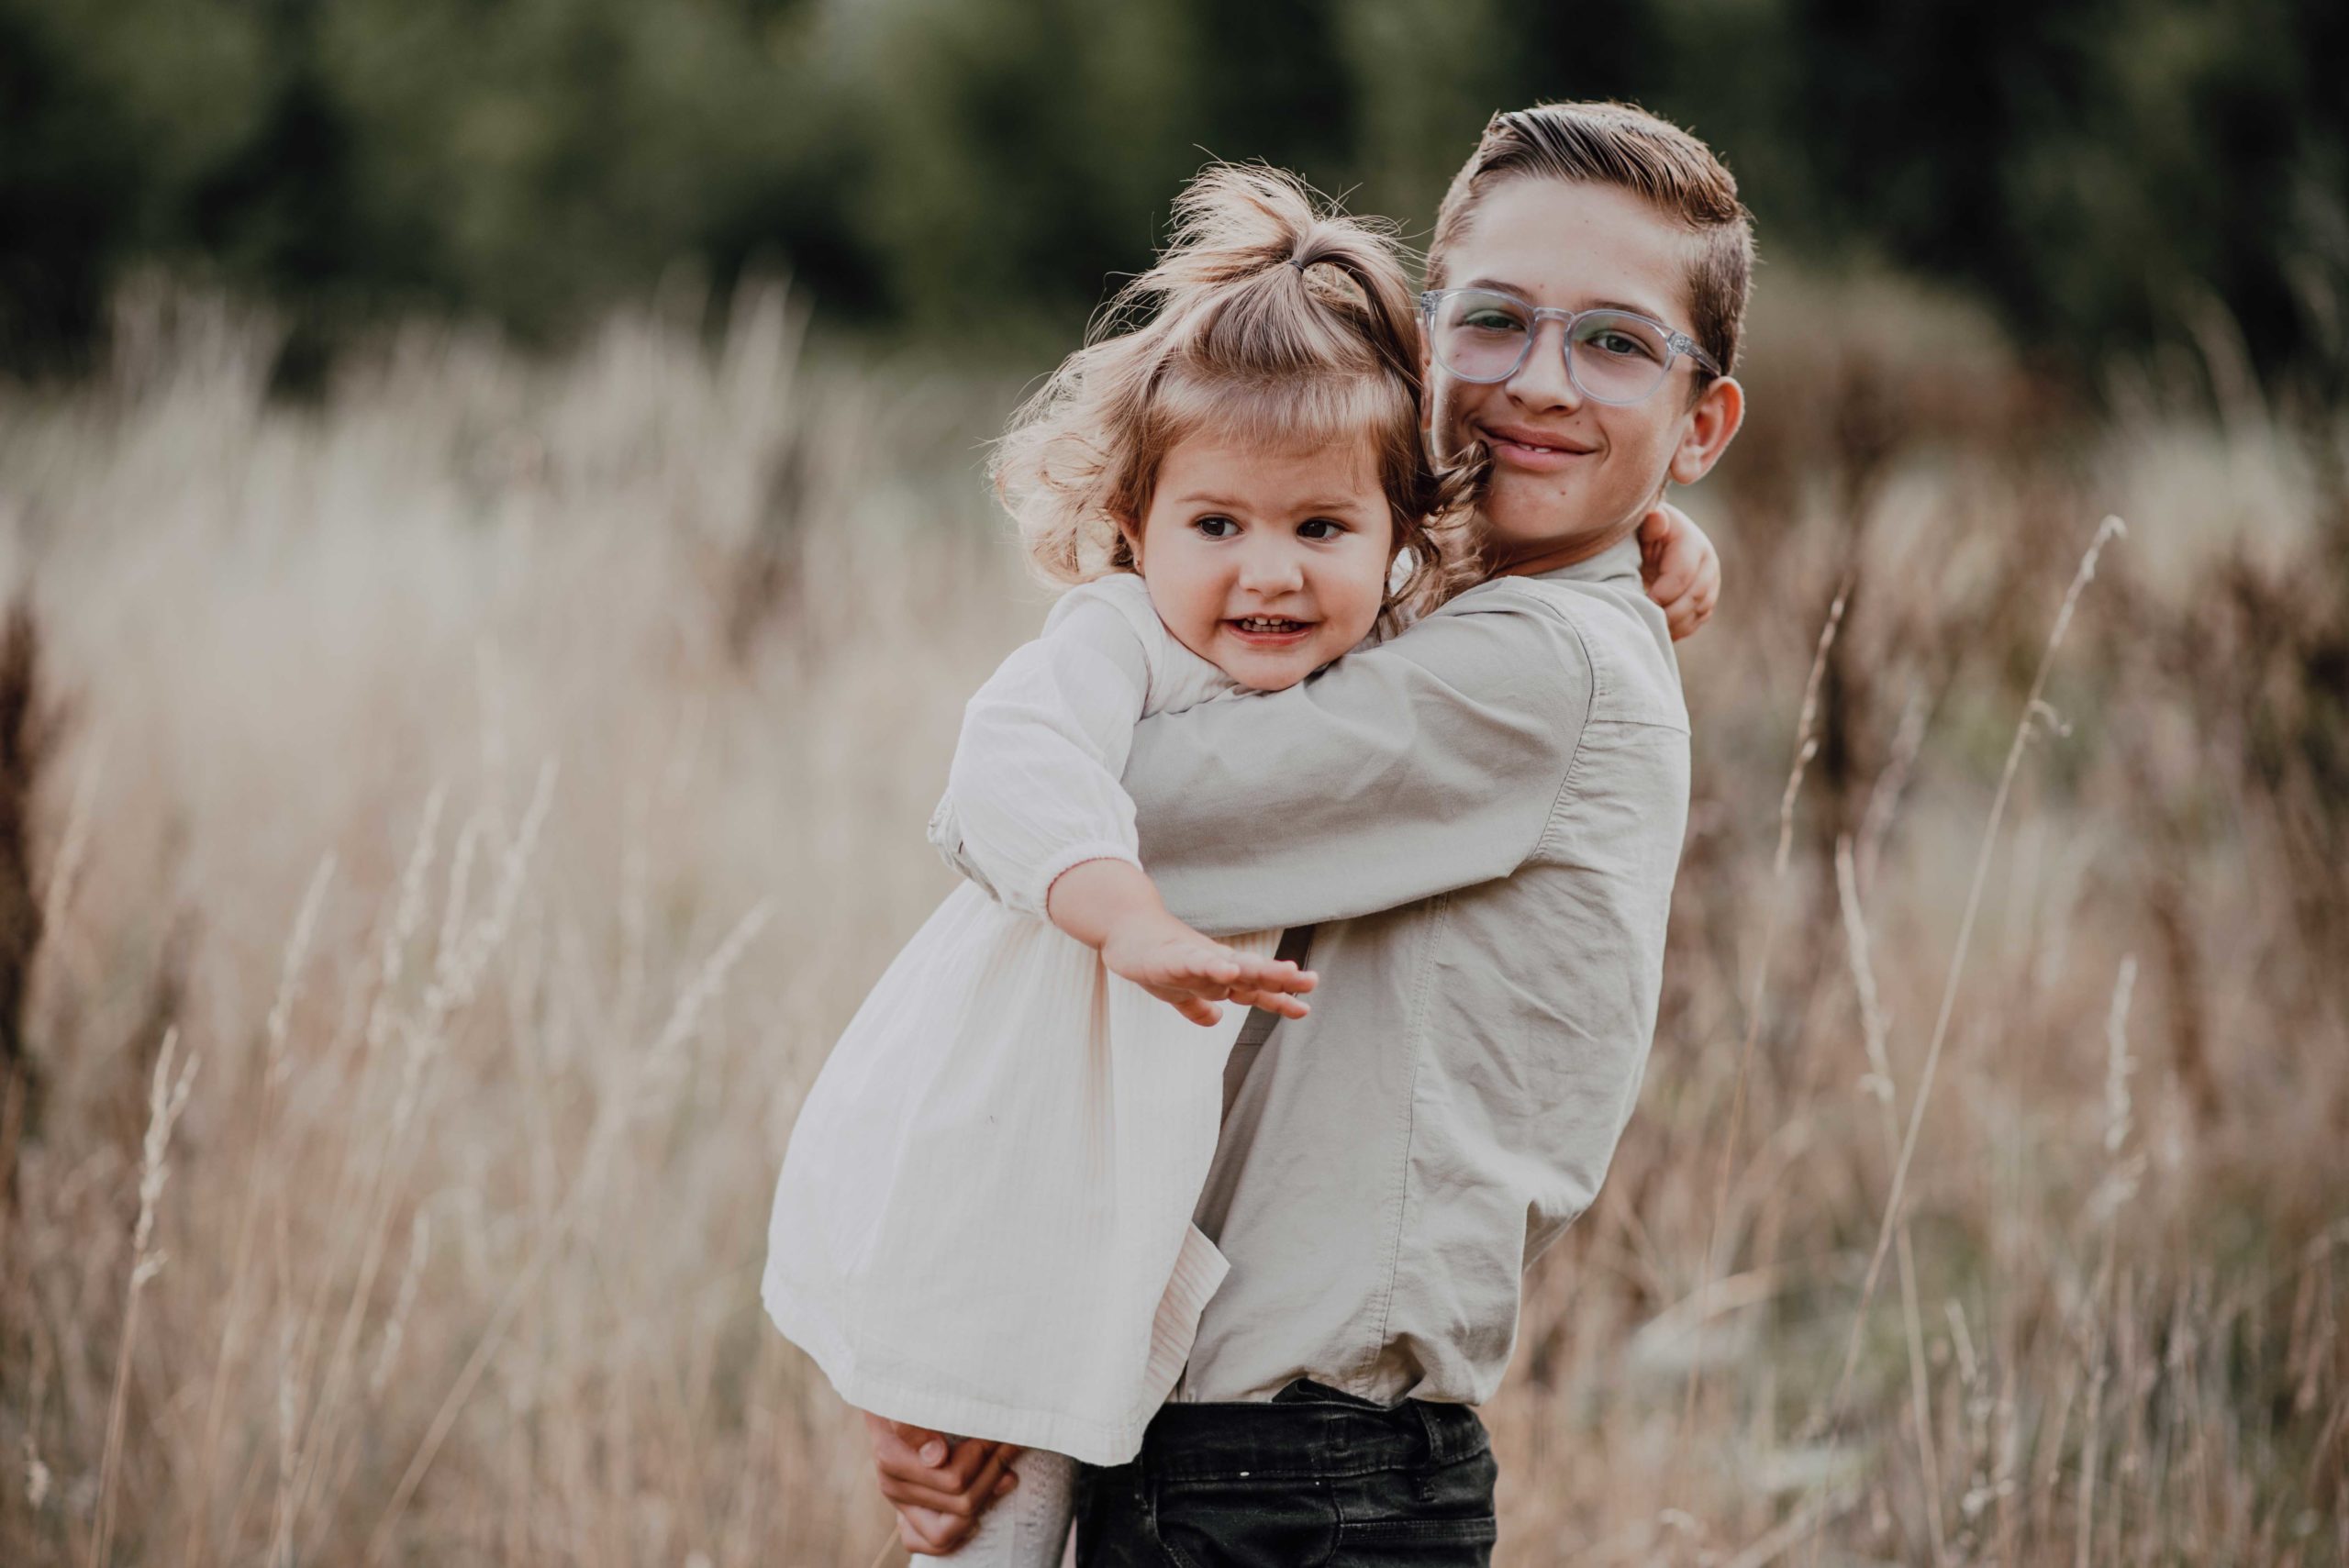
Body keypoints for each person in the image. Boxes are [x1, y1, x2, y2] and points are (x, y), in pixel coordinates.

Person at [866, 100, 1750, 1565]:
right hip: (1220, 1442)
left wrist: (1082, 675)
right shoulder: (1453, 611)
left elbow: (1086, 797)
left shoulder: (1543, 665)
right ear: (1420, 354)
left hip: (1300, 1475)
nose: (1542, 381)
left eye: (1616, 344)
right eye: (1497, 321)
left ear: (1701, 422)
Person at [768, 163, 1513, 1564]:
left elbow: (1495, 597)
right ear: (1133, 525)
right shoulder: (1120, 640)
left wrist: (1656, 545)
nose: (1269, 573)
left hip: (1129, 1214)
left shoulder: (1381, 652)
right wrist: (1125, 918)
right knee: (991, 1523)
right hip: (1018, 1165)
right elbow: (1011, 755)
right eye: (1216, 525)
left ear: (1398, 536)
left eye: (1321, 527)